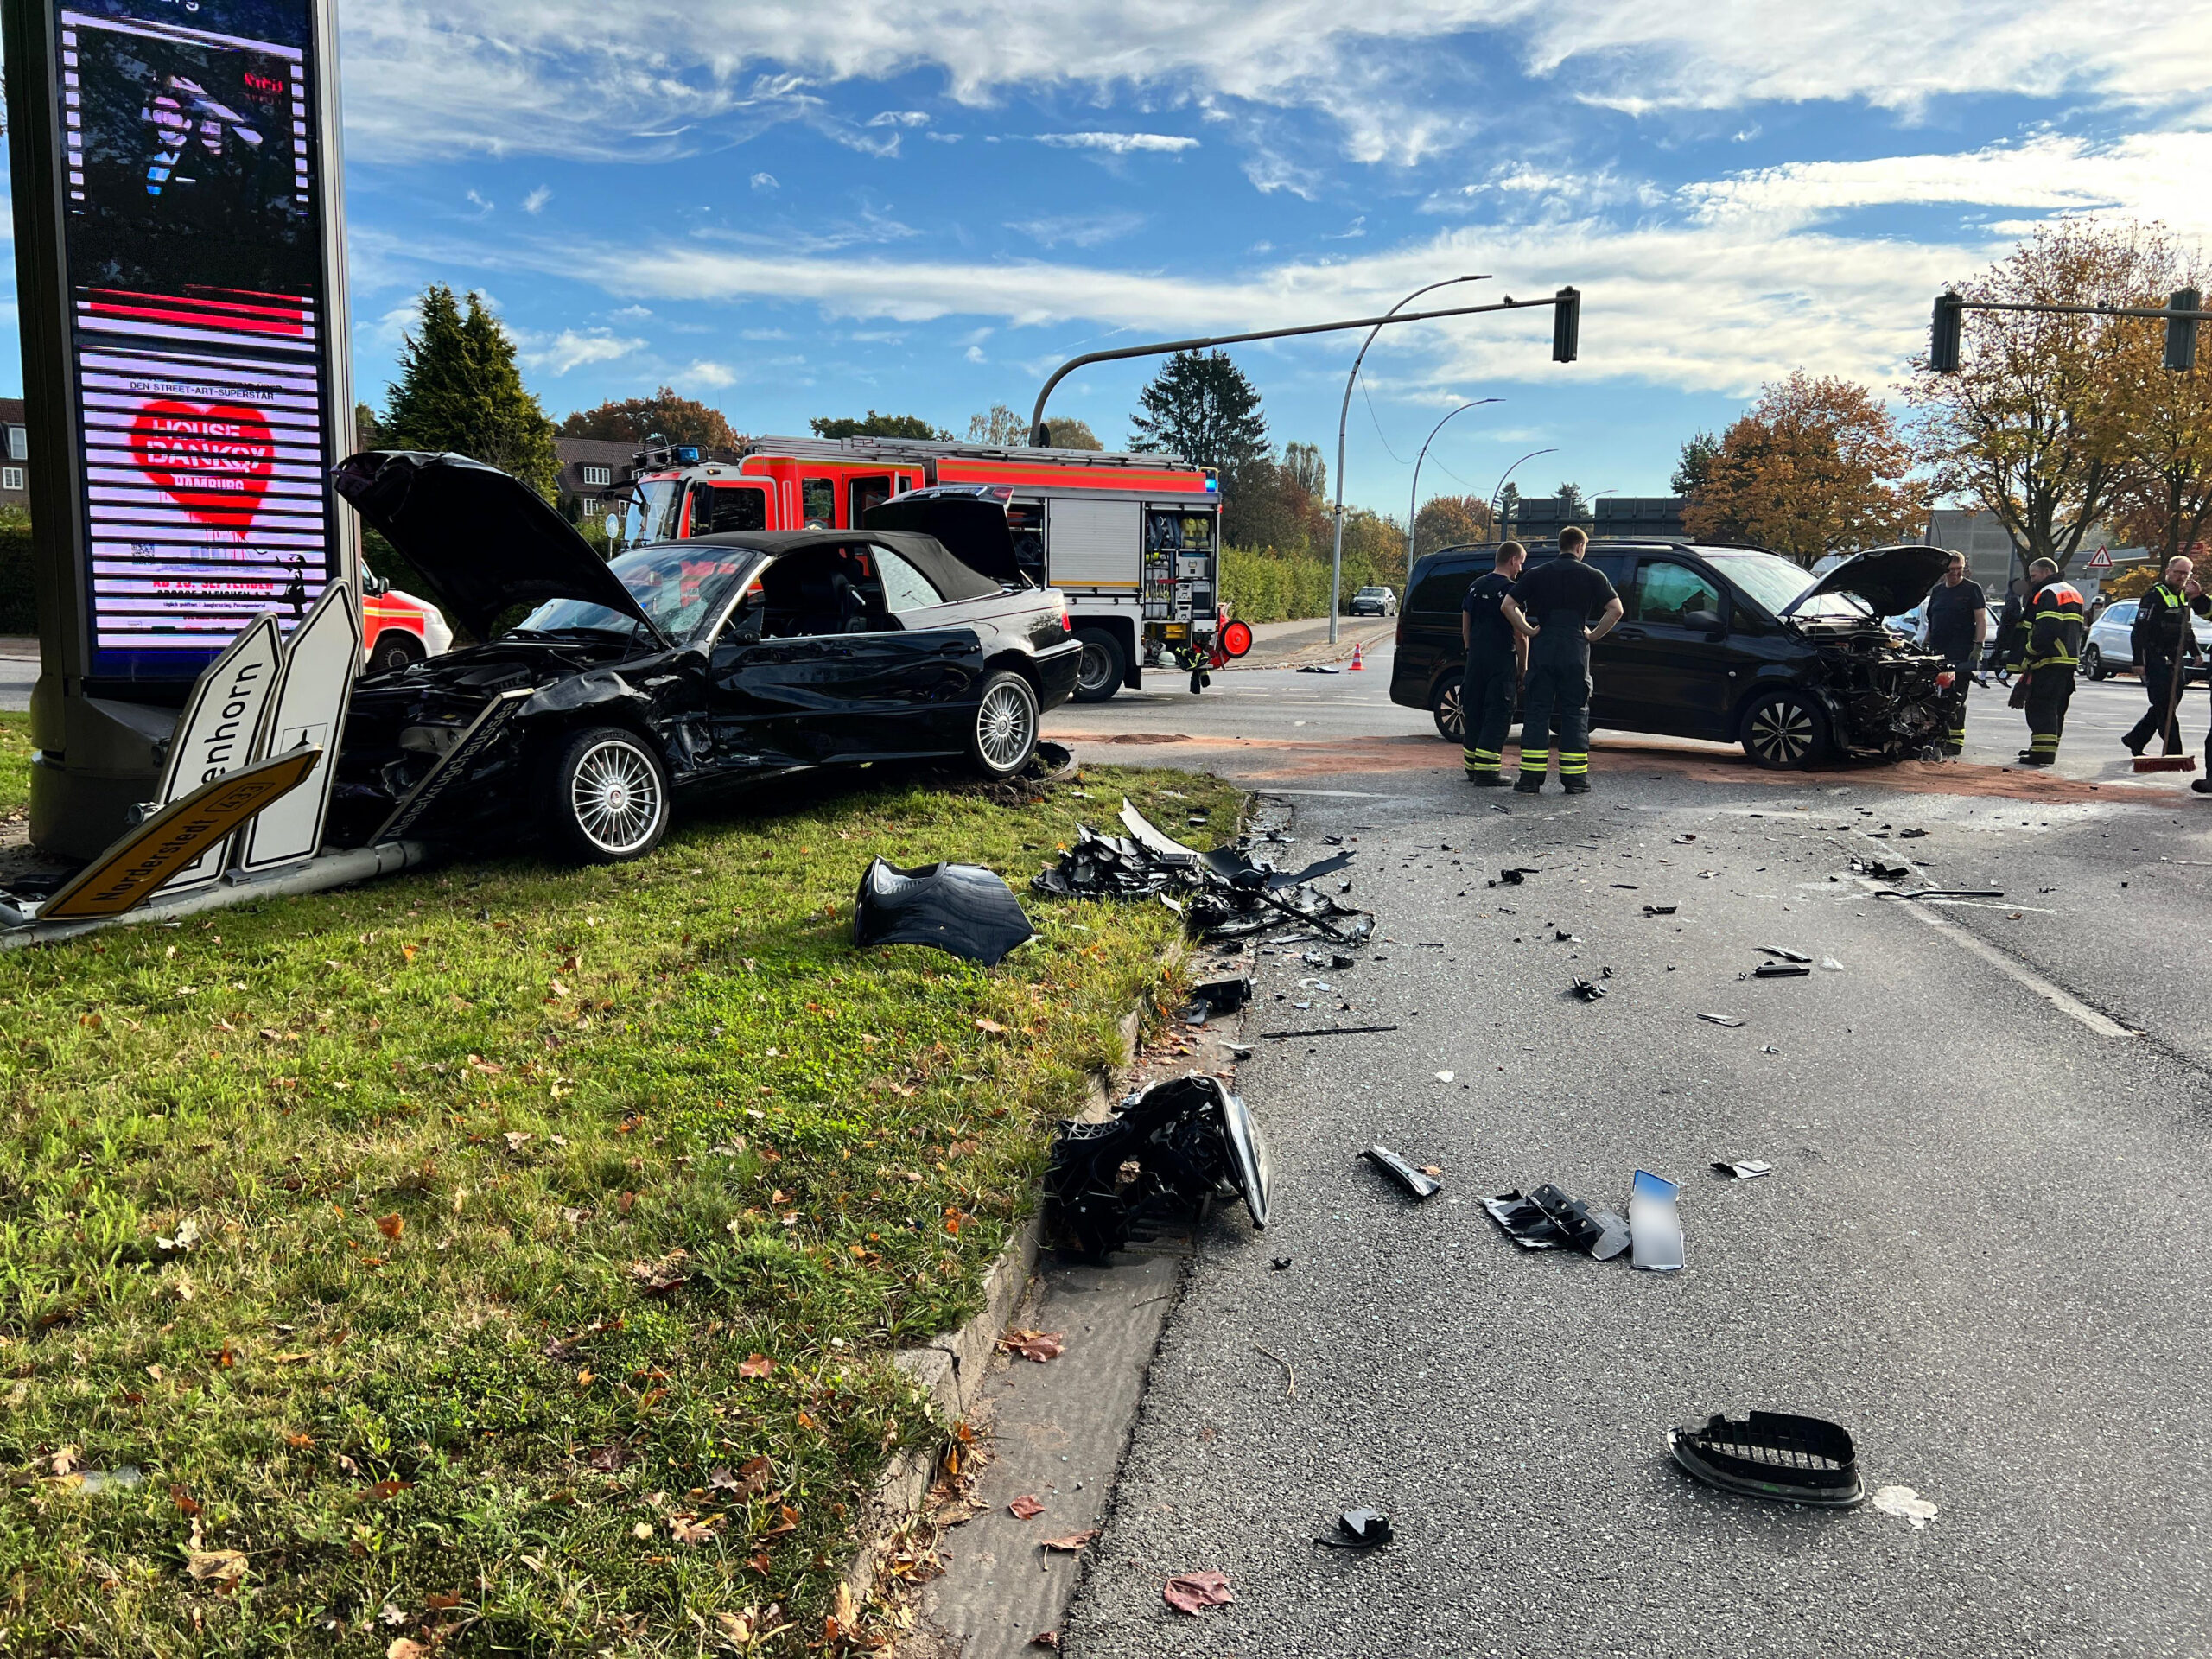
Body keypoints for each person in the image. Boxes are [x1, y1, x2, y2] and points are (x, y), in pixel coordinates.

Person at [1501, 526, 1624, 795]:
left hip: (1543, 647)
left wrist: (1528, 629)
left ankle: (1530, 779)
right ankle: (1575, 781)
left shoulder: (1536, 574)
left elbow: (1508, 605)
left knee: (1537, 713)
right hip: (1574, 649)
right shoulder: (1593, 576)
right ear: (1580, 547)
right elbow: (1616, 609)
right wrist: (1592, 635)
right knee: (1575, 713)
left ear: (1561, 545)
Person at [2000, 557, 2085, 766]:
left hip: (2049, 658)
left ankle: (2042, 754)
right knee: (2057, 707)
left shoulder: (2049, 593)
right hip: (2067, 659)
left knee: (2041, 706)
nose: (2032, 580)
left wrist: (2030, 651)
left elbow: (2047, 626)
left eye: (2034, 575)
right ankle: (2046, 748)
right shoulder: (2072, 592)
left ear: (2046, 572)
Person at [1459, 540, 1528, 786]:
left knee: (1474, 710)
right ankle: (1487, 772)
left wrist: (1471, 653)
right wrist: (1522, 669)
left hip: (1476, 659)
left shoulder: (1474, 588)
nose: (1521, 567)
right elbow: (1521, 635)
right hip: (1501, 660)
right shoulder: (1513, 591)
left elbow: (1465, 627)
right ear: (1513, 560)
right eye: (1521, 561)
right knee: (1498, 712)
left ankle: (1472, 768)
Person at [2124, 556, 2196, 758]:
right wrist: (2138, 661)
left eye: (2185, 573)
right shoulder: (2154, 596)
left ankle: (2136, 738)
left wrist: (2196, 652)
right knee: (2165, 706)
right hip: (2156, 658)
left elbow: (2185, 628)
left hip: (2177, 659)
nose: (2181, 577)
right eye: (2178, 572)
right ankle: (2174, 752)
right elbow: (2139, 630)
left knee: (2167, 705)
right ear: (2168, 571)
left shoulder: (2184, 596)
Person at [1922, 552, 1986, 755]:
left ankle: (1955, 741)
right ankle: (1937, 737)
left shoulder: (1972, 590)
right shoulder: (1938, 592)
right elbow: (1933, 623)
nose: (1955, 574)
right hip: (1938, 653)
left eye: (1959, 569)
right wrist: (1924, 645)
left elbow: (1981, 619)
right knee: (1936, 697)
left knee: (1956, 697)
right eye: (1951, 570)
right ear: (1944, 571)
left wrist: (1978, 646)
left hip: (1961, 652)